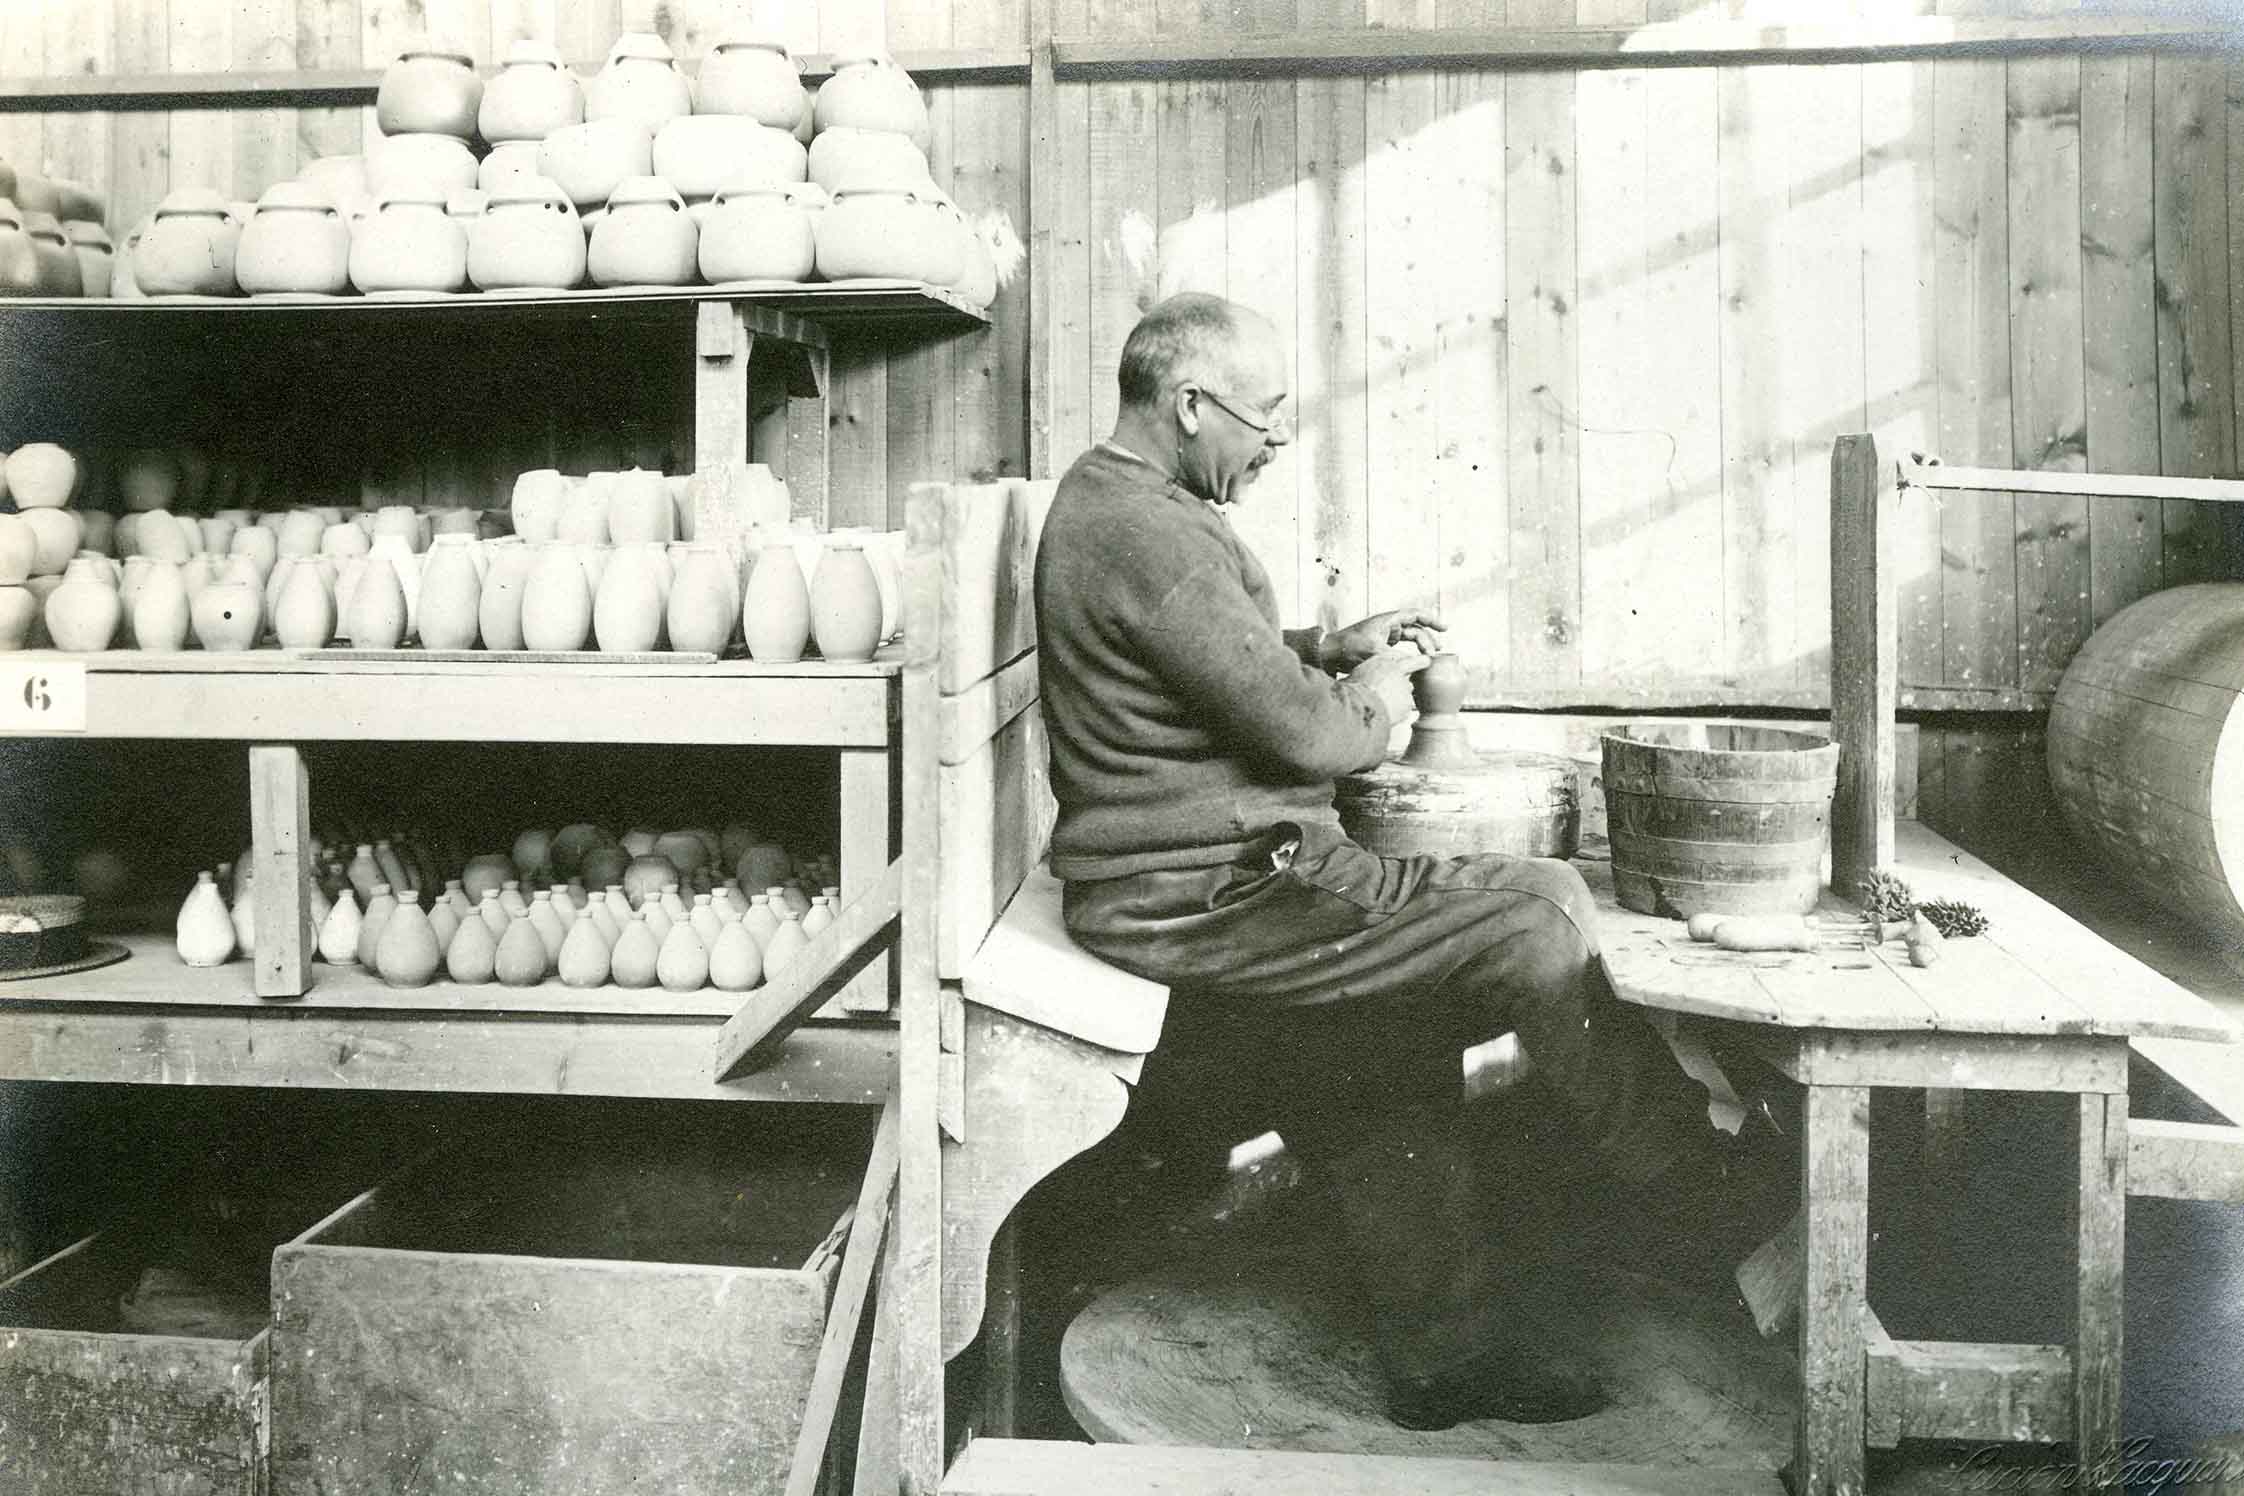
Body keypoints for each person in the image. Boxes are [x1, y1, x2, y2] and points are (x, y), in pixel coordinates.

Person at [1033, 292, 1784, 1428]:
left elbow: (1191, 658)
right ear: (1189, 404)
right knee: (1531, 929)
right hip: (1207, 892)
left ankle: (1446, 1357)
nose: (1276, 439)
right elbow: (1315, 738)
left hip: (1214, 870)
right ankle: (1697, 1192)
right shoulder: (1146, 526)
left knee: (1385, 1038)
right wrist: (1372, 693)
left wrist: (1326, 646)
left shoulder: (1127, 504)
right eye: (1264, 414)